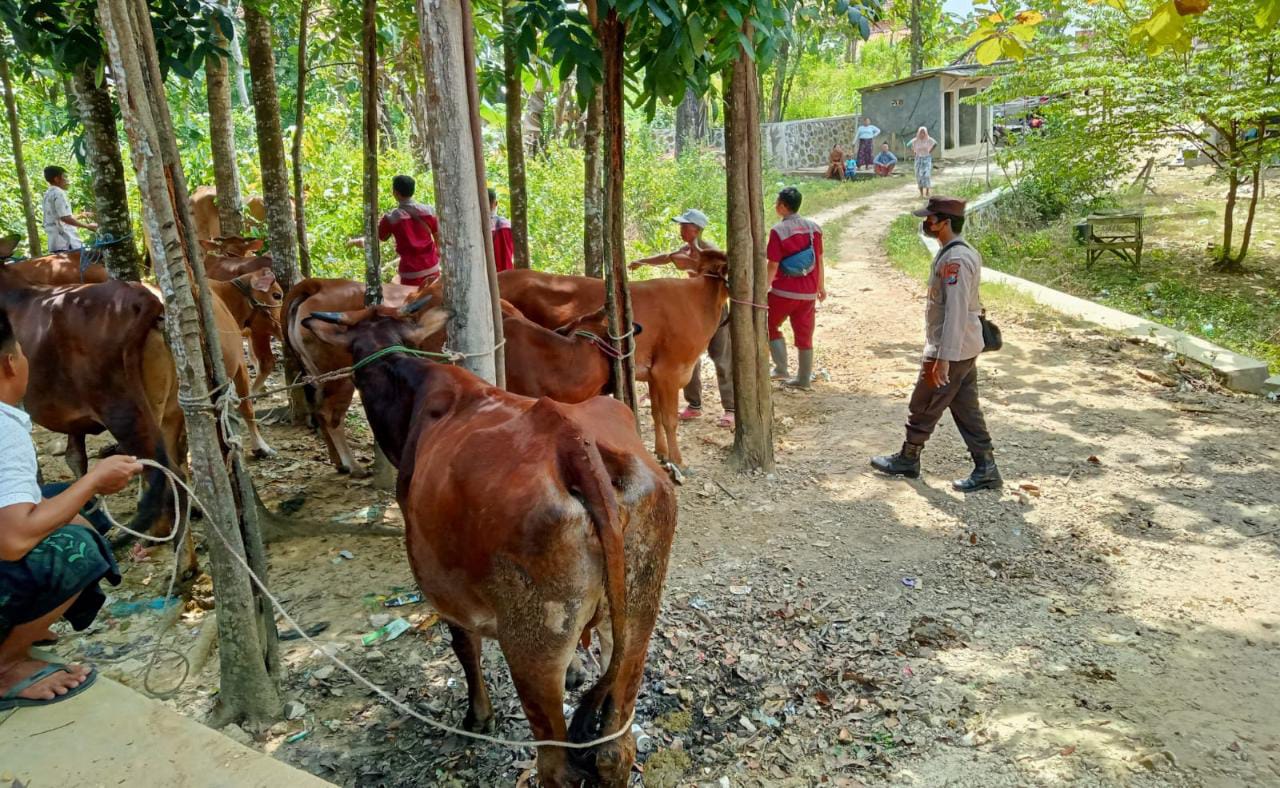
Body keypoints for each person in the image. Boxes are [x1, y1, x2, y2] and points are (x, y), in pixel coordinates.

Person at [0, 309, 143, 710]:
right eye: (22, 352)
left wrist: (80, 496)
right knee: (78, 548)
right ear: (10, 364)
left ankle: (23, 624)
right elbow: (11, 541)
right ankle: (5, 666)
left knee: (73, 505)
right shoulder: (4, 429)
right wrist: (93, 480)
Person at [870, 197, 1001, 492]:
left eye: (930, 219)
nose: (926, 223)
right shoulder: (953, 253)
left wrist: (944, 358)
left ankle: (909, 458)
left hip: (951, 347)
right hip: (960, 347)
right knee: (966, 408)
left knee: (924, 403)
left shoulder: (956, 260)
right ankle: (987, 468)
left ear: (945, 222)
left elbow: (956, 311)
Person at [630, 209, 735, 428]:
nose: (681, 230)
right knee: (688, 357)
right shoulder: (686, 249)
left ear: (696, 229)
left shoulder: (710, 251)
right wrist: (642, 261)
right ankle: (694, 405)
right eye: (681, 226)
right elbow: (667, 258)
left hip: (713, 310)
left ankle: (731, 408)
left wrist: (690, 264)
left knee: (721, 356)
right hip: (691, 311)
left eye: (685, 226)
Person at [766, 187, 825, 390]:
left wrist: (765, 287)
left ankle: (781, 368)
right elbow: (819, 260)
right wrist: (821, 287)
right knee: (805, 334)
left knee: (770, 325)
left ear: (783, 206)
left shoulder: (778, 231)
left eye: (777, 202)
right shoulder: (814, 228)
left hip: (783, 292)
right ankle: (804, 379)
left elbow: (773, 264)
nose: (775, 205)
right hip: (808, 293)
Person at [377, 175, 440, 285]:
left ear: (395, 193)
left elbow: (382, 237)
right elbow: (438, 237)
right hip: (432, 268)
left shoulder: (391, 218)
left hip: (410, 273)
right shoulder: (429, 210)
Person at [40, 166, 96, 254]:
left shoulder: (47, 194)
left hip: (55, 242)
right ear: (57, 179)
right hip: (66, 241)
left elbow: (59, 218)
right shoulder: (59, 193)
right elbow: (65, 218)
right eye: (64, 177)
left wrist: (81, 216)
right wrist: (88, 226)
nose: (67, 180)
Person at [489, 188, 515, 273]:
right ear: (495, 203)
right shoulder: (508, 225)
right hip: (507, 273)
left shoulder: (476, 226)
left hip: (487, 274)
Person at [911, 127, 938, 198]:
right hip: (918, 159)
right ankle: (921, 193)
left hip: (926, 159)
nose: (922, 134)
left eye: (923, 132)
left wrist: (930, 151)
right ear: (918, 133)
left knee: (926, 175)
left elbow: (935, 143)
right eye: (921, 132)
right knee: (919, 175)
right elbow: (910, 145)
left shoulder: (928, 139)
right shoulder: (915, 140)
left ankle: (927, 192)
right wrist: (914, 151)